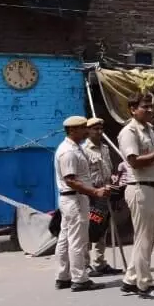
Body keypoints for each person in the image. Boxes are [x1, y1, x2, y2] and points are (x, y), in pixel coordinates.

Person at [117, 93, 154, 299]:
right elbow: (135, 161)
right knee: (144, 238)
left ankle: (131, 279)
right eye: (144, 106)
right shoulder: (129, 131)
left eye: (150, 106)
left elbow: (152, 158)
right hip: (140, 187)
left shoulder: (150, 129)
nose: (149, 110)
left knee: (149, 236)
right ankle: (145, 285)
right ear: (132, 109)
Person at [54, 117, 106, 292]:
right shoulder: (68, 152)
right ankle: (79, 279)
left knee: (65, 238)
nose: (86, 131)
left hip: (72, 199)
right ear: (72, 130)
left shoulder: (74, 148)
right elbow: (71, 180)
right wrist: (94, 192)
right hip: (75, 199)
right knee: (77, 240)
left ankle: (63, 276)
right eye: (83, 128)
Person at [82, 117, 122, 278]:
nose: (99, 132)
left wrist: (112, 178)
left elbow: (108, 168)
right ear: (88, 131)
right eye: (95, 129)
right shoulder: (84, 150)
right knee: (88, 229)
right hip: (91, 194)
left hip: (105, 193)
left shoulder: (105, 148)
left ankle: (99, 263)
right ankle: (85, 265)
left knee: (102, 229)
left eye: (100, 129)